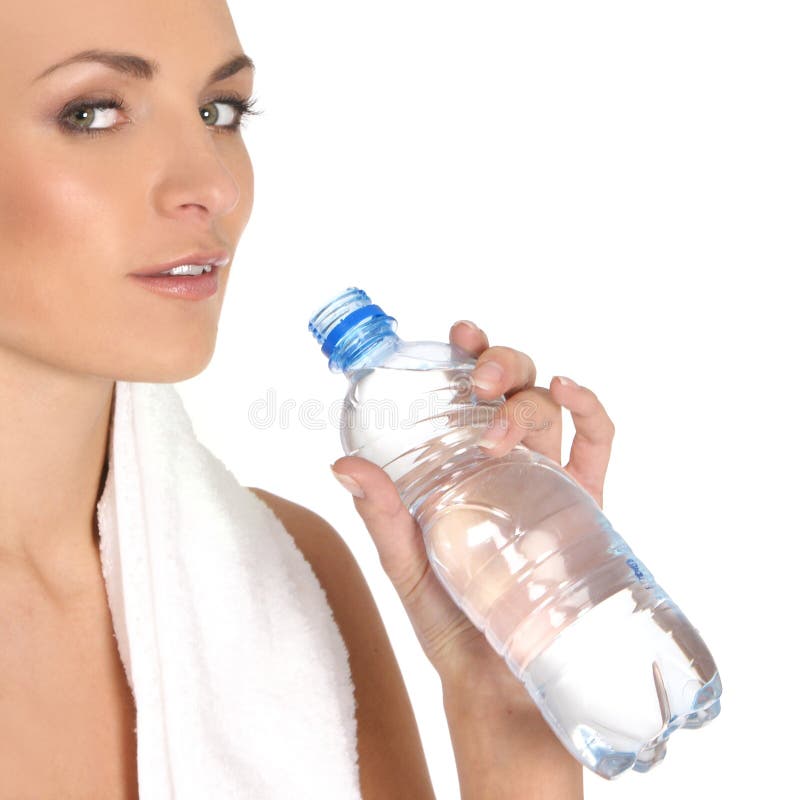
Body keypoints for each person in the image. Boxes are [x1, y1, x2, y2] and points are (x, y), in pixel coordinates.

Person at [0, 0, 615, 797]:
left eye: (220, 110)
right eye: (92, 112)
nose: (214, 186)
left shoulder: (293, 583)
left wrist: (508, 720)